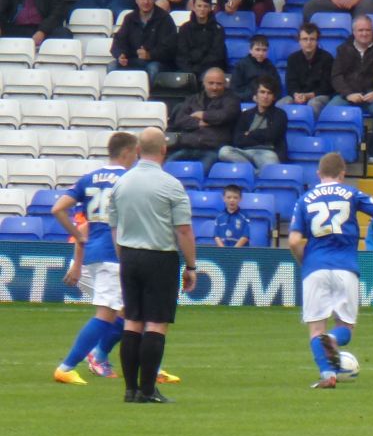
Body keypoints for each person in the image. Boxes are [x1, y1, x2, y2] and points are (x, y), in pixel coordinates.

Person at [289, 152, 373, 389]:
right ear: (343, 174)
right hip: (345, 267)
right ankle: (332, 340)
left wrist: (306, 263)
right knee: (345, 327)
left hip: (315, 267)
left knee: (316, 329)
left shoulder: (304, 199)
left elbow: (293, 241)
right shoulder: (352, 193)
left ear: (318, 174)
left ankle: (327, 375)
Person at [107, 127, 197, 402]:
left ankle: (130, 389)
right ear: (163, 150)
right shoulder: (171, 185)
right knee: (156, 324)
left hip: (129, 255)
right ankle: (148, 390)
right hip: (159, 256)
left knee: (132, 322)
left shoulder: (121, 183)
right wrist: (191, 266)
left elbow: (114, 226)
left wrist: (124, 256)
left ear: (137, 151)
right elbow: (183, 230)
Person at [50, 132, 138, 386]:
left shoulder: (89, 178)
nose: (136, 158)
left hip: (95, 251)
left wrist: (79, 236)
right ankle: (67, 366)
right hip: (115, 253)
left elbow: (58, 209)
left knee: (128, 310)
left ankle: (144, 365)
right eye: (135, 153)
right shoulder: (127, 179)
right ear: (127, 153)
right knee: (107, 312)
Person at [330, 15, 373, 165]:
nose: (364, 33)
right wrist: (348, 94)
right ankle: (336, 154)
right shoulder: (343, 49)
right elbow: (336, 76)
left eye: (368, 30)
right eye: (360, 30)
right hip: (349, 95)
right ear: (354, 31)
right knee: (330, 111)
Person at [167, 66, 239, 172]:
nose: (215, 87)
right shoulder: (192, 99)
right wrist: (199, 123)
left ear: (225, 84)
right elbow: (180, 119)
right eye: (211, 83)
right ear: (204, 83)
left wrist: (203, 115)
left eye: (219, 84)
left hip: (212, 149)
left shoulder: (232, 100)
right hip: (187, 147)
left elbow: (225, 115)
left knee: (198, 174)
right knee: (166, 169)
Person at [109, 0, 176, 81]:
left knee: (153, 68)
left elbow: (170, 48)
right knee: (112, 66)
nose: (146, 2)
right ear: (136, 0)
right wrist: (121, 54)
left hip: (158, 62)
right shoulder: (129, 18)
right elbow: (119, 41)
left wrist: (150, 55)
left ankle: (150, 96)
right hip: (133, 60)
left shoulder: (165, 19)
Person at [219, 79, 288, 171]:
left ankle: (252, 173)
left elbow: (272, 135)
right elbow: (237, 140)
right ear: (256, 95)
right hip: (245, 152)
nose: (265, 96)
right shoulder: (245, 115)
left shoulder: (280, 114)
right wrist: (261, 136)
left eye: (269, 93)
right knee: (224, 151)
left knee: (272, 166)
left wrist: (250, 134)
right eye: (262, 92)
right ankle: (254, 172)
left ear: (273, 97)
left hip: (267, 152)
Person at [279, 25, 335, 122]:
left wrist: (308, 96)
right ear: (299, 41)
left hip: (319, 96)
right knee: (282, 104)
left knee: (313, 104)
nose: (308, 43)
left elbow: (327, 87)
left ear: (317, 41)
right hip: (298, 95)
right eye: (305, 39)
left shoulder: (327, 58)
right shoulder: (292, 59)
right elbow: (291, 83)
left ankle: (311, 133)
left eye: (312, 39)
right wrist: (296, 95)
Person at [175, 0, 225, 79]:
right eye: (199, 6)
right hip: (188, 69)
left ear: (210, 8)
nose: (202, 9)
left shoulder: (218, 29)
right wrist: (190, 70)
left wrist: (198, 69)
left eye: (205, 6)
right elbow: (181, 54)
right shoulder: (184, 29)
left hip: (209, 69)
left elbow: (217, 55)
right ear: (193, 7)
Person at [230, 34, 280, 102]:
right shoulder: (241, 65)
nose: (261, 53)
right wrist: (251, 97)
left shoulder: (270, 66)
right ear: (250, 50)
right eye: (257, 49)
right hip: (246, 101)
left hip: (267, 102)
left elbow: (277, 89)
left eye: (264, 50)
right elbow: (234, 91)